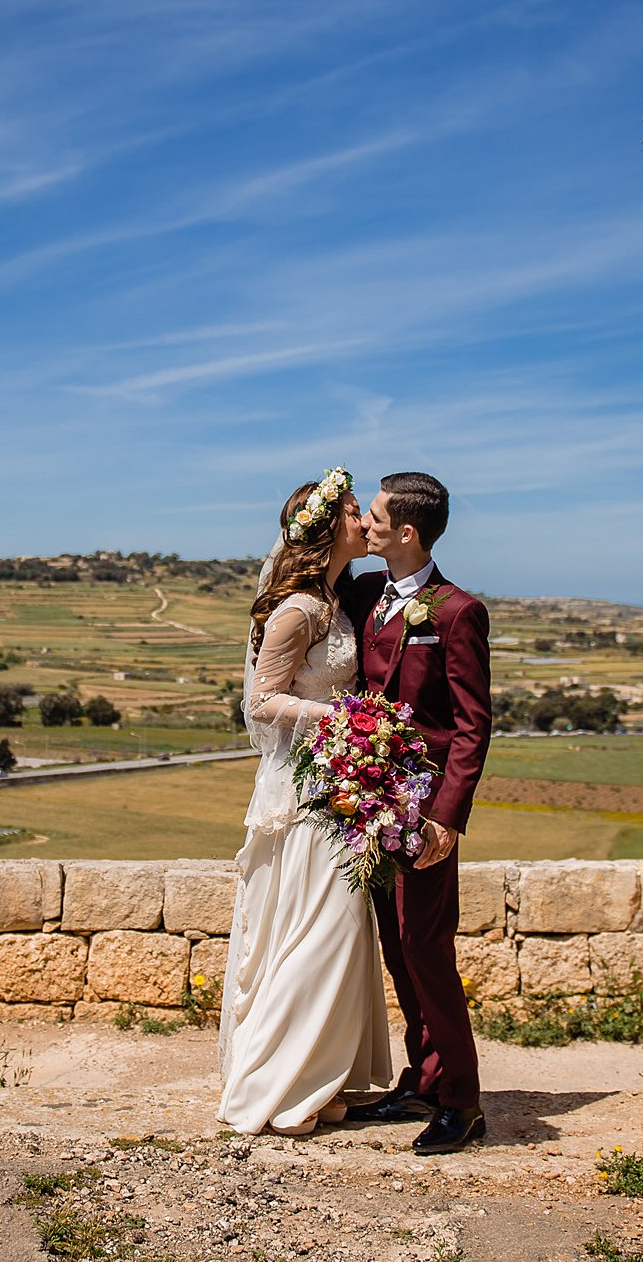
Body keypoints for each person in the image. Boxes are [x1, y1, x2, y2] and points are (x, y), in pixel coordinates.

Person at [217, 469, 392, 1136]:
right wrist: (343, 720)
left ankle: (320, 1075)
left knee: (338, 932)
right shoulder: (299, 608)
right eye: (354, 509)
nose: (363, 519)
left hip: (333, 784)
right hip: (302, 787)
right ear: (326, 528)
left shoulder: (335, 599)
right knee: (320, 933)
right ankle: (277, 1085)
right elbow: (262, 701)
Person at [338, 471, 492, 1154]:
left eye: (372, 516)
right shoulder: (367, 592)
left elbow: (472, 726)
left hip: (426, 812)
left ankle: (464, 1100)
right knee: (398, 948)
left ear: (407, 532)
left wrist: (448, 818)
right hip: (369, 803)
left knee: (428, 948)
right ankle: (424, 1076)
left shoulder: (457, 611)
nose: (364, 525)